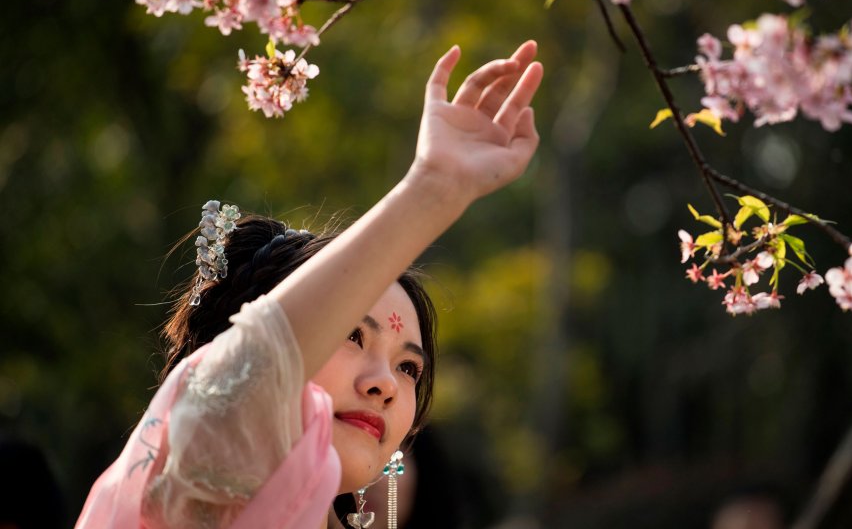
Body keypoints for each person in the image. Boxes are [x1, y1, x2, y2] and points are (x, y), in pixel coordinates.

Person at [75, 41, 544, 529]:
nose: (385, 384)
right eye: (352, 334)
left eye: (409, 367)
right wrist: (434, 188)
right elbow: (256, 371)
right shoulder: (191, 482)